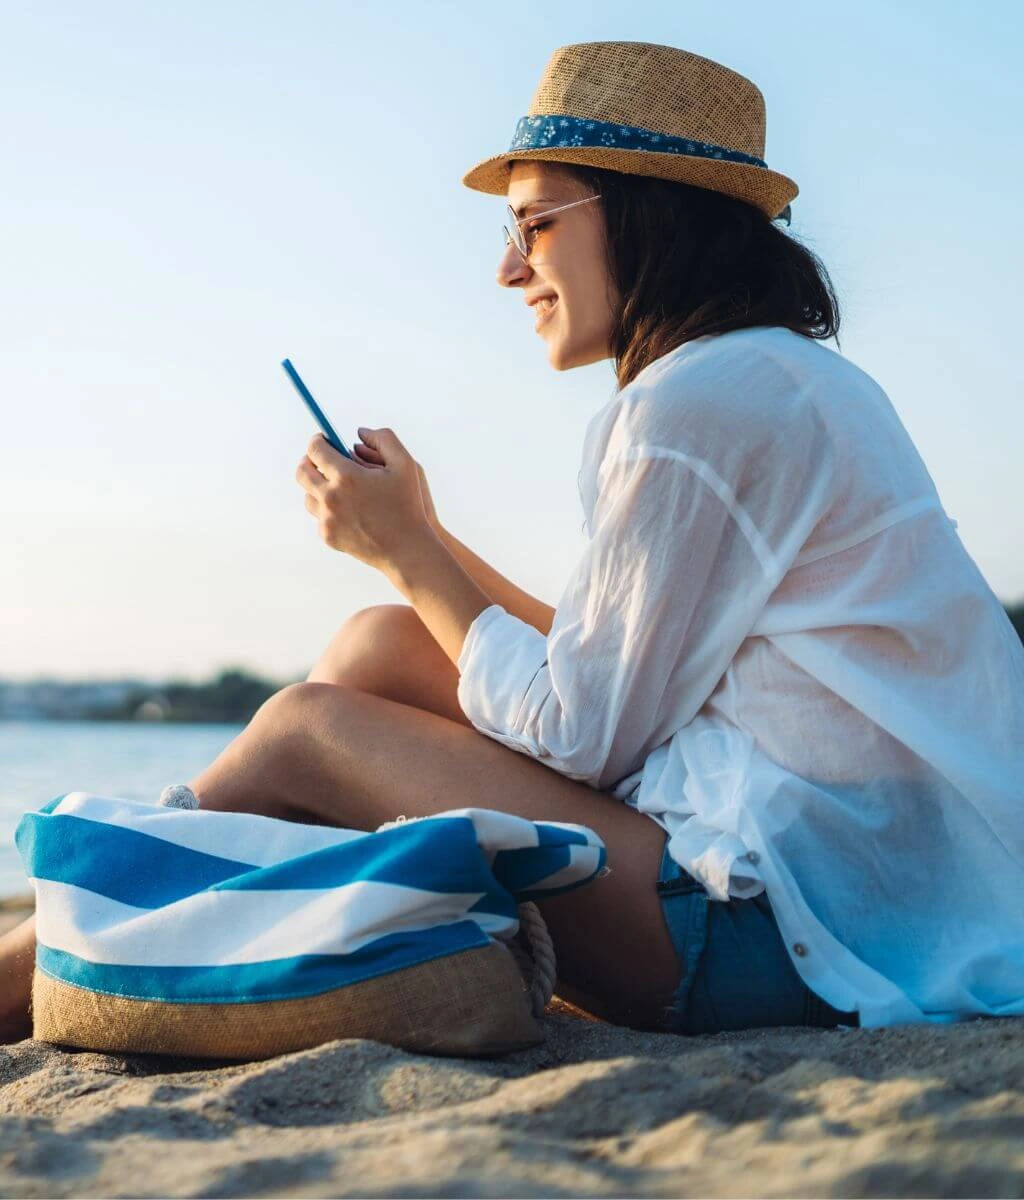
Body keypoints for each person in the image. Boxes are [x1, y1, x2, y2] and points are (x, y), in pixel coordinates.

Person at [4, 40, 1023, 1043]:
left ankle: (84, 946)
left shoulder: (694, 408)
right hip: (868, 891)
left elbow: (588, 732)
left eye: (533, 224)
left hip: (790, 937)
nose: (506, 268)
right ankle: (193, 921)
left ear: (645, 216)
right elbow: (621, 670)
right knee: (378, 644)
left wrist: (409, 549)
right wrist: (415, 539)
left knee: (302, 732)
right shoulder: (778, 379)